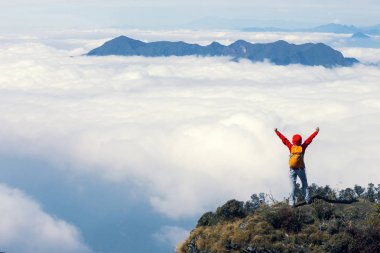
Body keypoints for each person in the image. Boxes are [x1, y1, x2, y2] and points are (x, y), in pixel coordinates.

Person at [274, 127, 319, 206]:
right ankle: (308, 199)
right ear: (300, 141)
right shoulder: (303, 147)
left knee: (292, 186)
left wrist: (276, 131)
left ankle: (292, 203)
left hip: (292, 169)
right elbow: (309, 139)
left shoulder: (291, 147)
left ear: (293, 141)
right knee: (304, 184)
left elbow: (284, 139)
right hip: (301, 169)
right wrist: (316, 132)